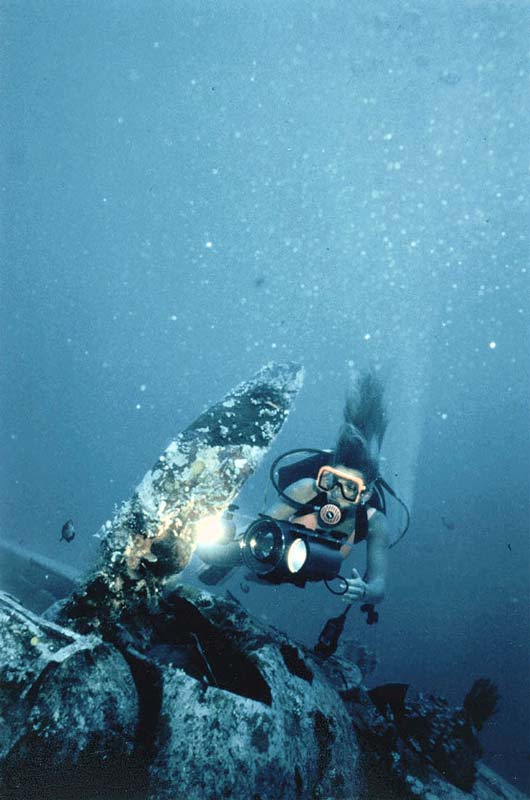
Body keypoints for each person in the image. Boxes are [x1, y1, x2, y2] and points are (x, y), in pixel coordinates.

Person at [264, 367, 389, 606]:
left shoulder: (375, 522)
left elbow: (379, 586)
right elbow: (261, 530)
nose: (336, 494)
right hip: (278, 557)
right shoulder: (305, 489)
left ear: (366, 494)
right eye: (333, 481)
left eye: (350, 488)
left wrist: (364, 591)